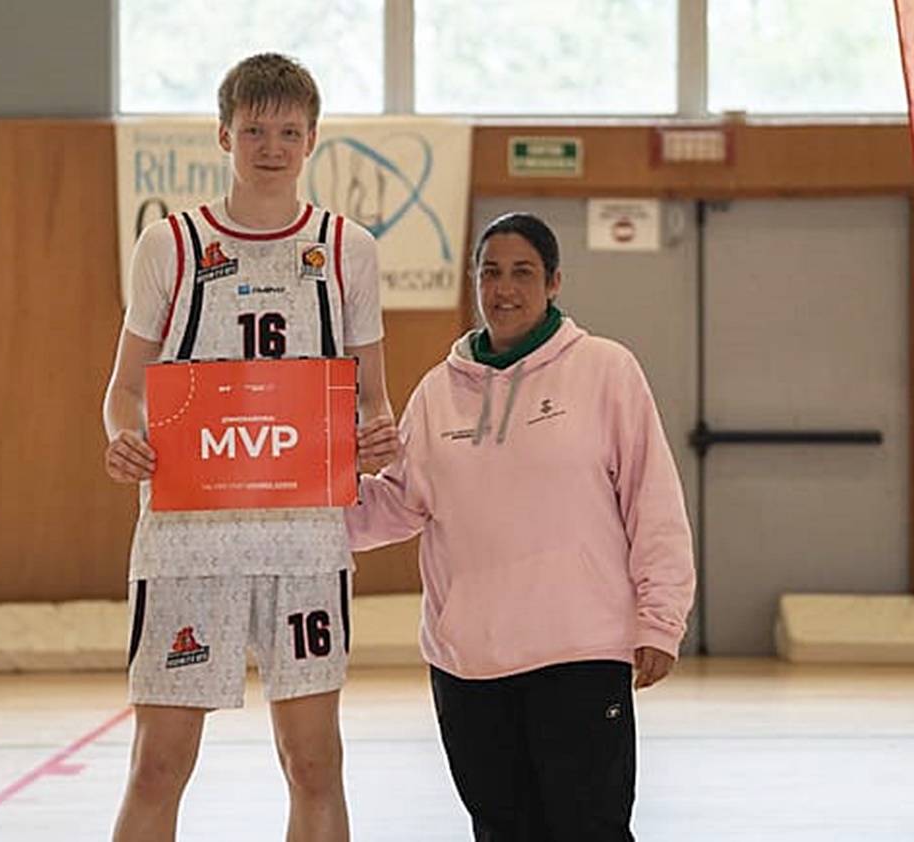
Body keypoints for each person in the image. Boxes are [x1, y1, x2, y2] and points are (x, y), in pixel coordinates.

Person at [102, 53, 398, 842]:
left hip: (304, 539)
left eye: (289, 132)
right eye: (255, 130)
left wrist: (378, 433)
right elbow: (123, 391)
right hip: (187, 538)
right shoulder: (170, 244)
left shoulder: (347, 249)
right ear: (224, 135)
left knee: (314, 763)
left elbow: (373, 398)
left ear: (312, 140)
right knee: (158, 763)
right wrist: (124, 439)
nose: (272, 147)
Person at [348, 212, 696, 841]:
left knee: (589, 831)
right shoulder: (437, 392)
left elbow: (653, 501)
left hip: (580, 653)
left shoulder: (606, 370)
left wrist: (660, 619)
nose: (504, 289)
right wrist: (300, 502)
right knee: (501, 831)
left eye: (522, 273)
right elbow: (398, 503)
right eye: (490, 273)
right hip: (468, 665)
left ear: (553, 282)